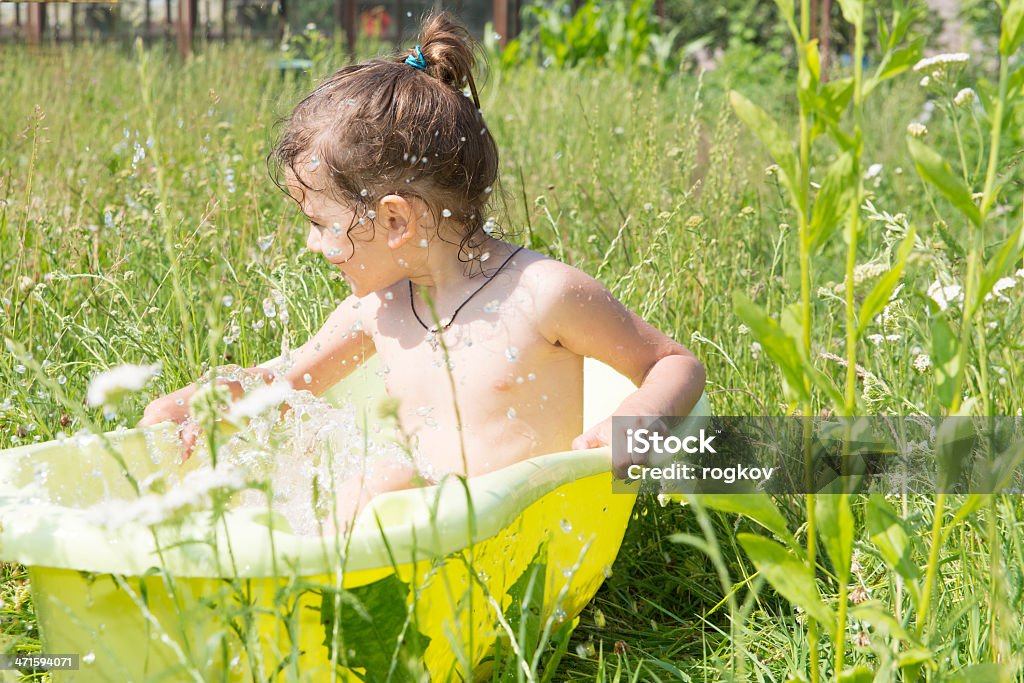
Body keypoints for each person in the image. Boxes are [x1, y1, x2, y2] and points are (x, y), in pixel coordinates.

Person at [140, 12, 705, 532]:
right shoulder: (378, 310)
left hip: (523, 542)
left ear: (394, 221)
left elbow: (673, 363)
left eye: (319, 223)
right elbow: (287, 381)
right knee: (376, 478)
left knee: (386, 480)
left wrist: (638, 420)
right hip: (420, 543)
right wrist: (210, 397)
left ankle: (322, 579)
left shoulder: (543, 295)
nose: (312, 245)